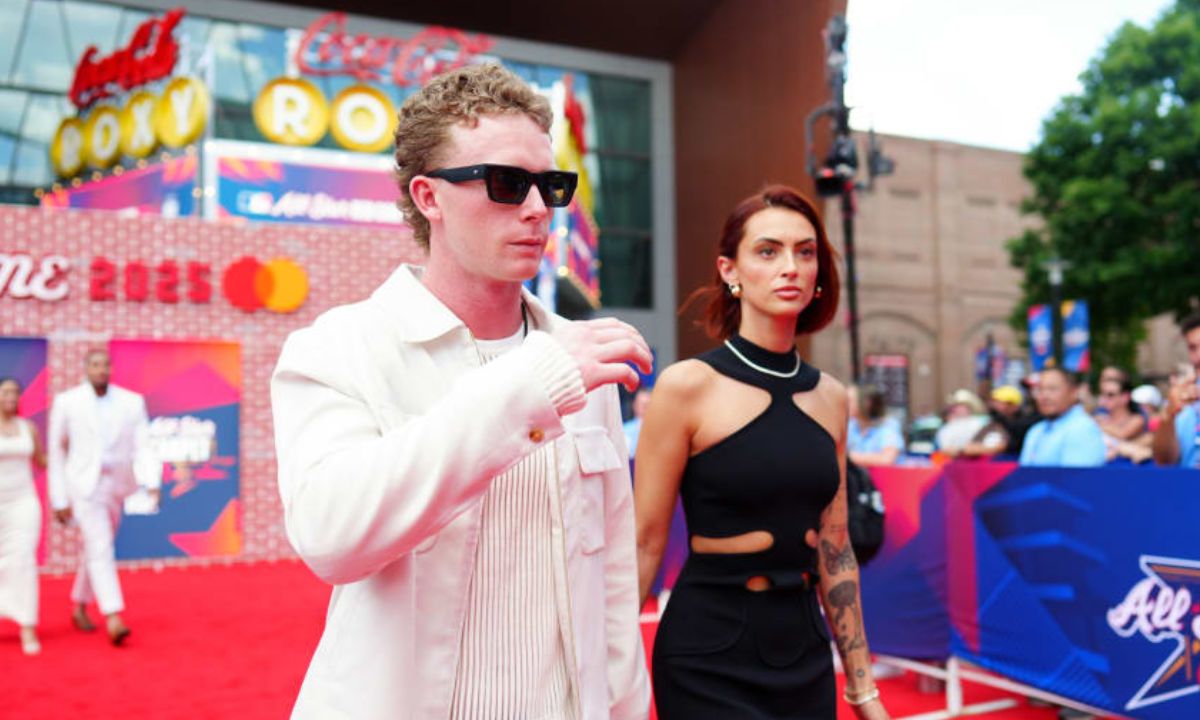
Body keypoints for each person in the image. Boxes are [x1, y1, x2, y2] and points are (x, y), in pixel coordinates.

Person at [271, 64, 652, 720]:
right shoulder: (340, 346)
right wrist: (532, 386)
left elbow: (611, 579)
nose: (537, 209)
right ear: (428, 197)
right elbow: (332, 536)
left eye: (550, 185)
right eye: (506, 183)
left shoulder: (577, 357)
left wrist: (625, 709)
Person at [634, 185, 889, 719]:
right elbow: (644, 543)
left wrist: (863, 688)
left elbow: (835, 549)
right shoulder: (687, 386)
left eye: (805, 252)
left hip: (804, 650)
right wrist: (600, 672)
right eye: (768, 251)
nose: (790, 267)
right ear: (730, 270)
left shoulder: (831, 398)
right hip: (707, 654)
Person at [48, 349, 156, 646]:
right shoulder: (67, 401)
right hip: (83, 486)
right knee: (101, 545)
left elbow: (143, 445)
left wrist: (151, 481)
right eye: (95, 365)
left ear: (111, 369)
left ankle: (80, 606)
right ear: (86, 369)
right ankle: (113, 616)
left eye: (105, 365)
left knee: (98, 547)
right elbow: (56, 452)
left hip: (116, 485)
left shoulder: (131, 402)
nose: (101, 369)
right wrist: (59, 499)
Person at [0, 378, 46, 655]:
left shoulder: (28, 428)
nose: (11, 396)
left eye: (15, 392)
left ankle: (27, 625)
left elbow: (41, 461)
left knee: (25, 560)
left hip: (24, 503)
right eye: (5, 391)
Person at [1018, 367, 1107, 467]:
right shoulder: (1036, 430)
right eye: (1040, 389)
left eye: (1052, 389)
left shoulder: (1083, 428)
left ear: (1073, 392)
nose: (1044, 396)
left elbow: (1076, 475)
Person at [1152, 312, 1200, 468]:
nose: (1198, 356)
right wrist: (1169, 416)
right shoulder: (1182, 396)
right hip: (1188, 482)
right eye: (1192, 348)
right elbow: (1164, 461)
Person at [1094, 374, 1151, 464]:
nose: (1105, 398)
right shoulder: (1100, 417)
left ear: (1125, 397)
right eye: (1103, 394)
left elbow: (1123, 434)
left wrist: (1099, 424)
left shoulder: (1137, 418)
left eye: (1110, 395)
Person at [847, 385, 904, 466]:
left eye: (849, 401)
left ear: (867, 403)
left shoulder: (887, 426)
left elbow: (887, 459)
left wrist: (847, 456)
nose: (844, 404)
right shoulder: (850, 425)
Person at [934, 389, 989, 457]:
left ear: (969, 407)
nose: (955, 409)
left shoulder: (979, 424)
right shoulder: (948, 428)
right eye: (953, 406)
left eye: (959, 405)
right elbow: (943, 449)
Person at [623, 388, 652, 459]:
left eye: (649, 405)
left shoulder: (662, 431)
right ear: (634, 406)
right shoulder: (624, 431)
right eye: (644, 405)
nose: (646, 409)